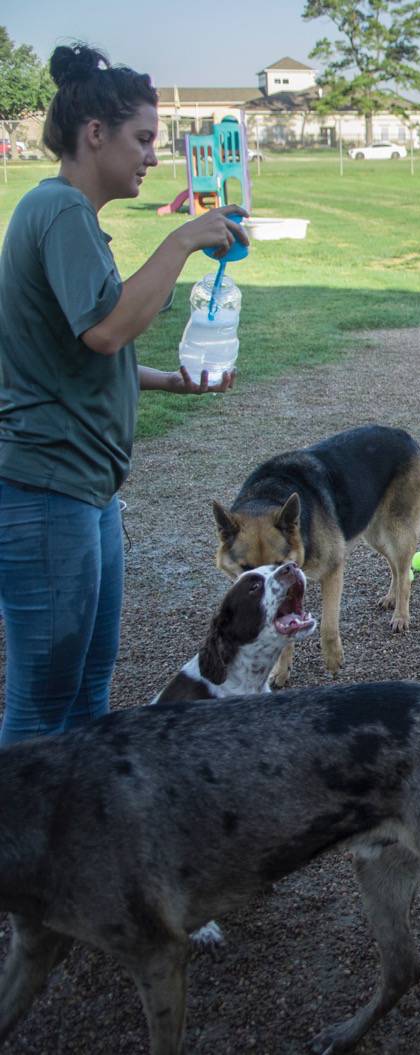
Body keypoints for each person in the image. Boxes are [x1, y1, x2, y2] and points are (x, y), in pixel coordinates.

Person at [0, 43, 249, 745]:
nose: (151, 156)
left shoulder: (69, 217)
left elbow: (74, 352)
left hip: (85, 492)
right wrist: (180, 242)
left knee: (84, 690)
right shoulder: (61, 211)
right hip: (47, 489)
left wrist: (172, 380)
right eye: (143, 139)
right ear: (95, 134)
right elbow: (107, 330)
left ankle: (71, 847)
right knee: (42, 707)